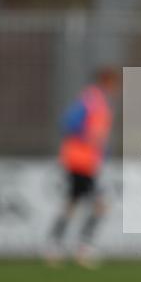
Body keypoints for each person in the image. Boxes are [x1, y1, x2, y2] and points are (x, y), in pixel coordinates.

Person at [48, 67, 120, 268]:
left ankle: (56, 245)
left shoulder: (99, 102)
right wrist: (86, 135)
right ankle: (81, 247)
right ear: (107, 82)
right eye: (115, 83)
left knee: (72, 203)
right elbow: (67, 122)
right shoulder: (91, 100)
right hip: (79, 161)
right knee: (99, 206)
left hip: (87, 162)